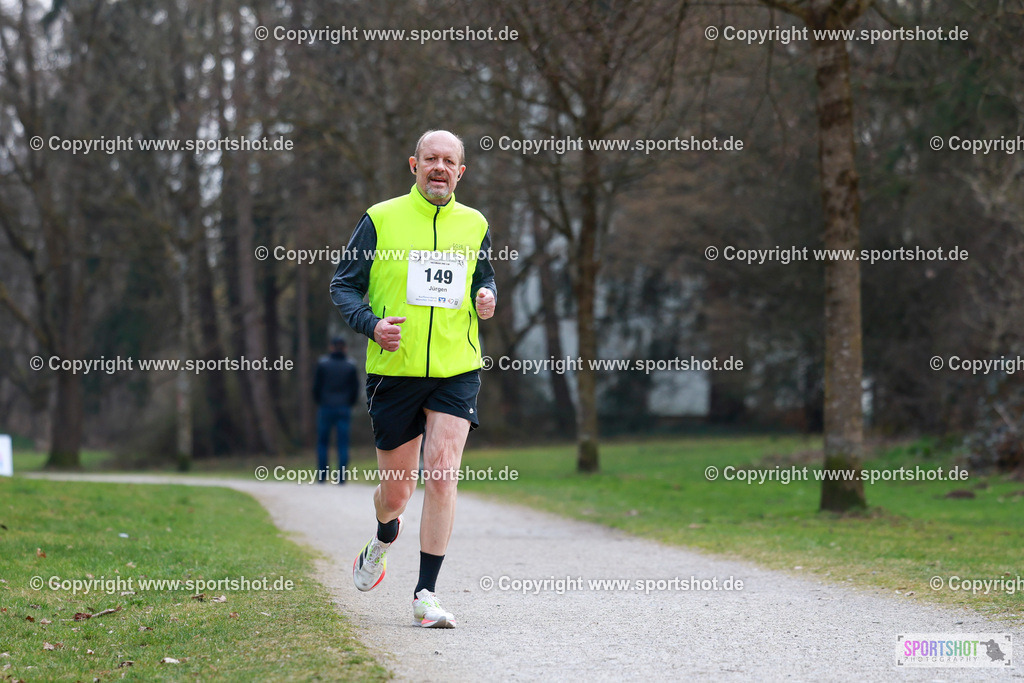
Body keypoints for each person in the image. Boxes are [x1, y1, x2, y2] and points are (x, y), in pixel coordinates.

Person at [330, 129, 496, 628]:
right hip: (394, 372)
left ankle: (426, 594)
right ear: (414, 165)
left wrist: (487, 296)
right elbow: (344, 285)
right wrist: (373, 326)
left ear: (461, 171)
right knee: (397, 492)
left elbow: (482, 277)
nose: (439, 167)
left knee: (443, 471)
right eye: (431, 159)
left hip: (456, 368)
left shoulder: (475, 223)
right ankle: (383, 537)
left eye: (449, 161)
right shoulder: (381, 219)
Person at [313, 336, 359, 483]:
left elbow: (316, 387)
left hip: (326, 407)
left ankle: (322, 476)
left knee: (322, 443)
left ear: (331, 347)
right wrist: (349, 403)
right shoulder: (350, 365)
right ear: (344, 348)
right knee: (343, 444)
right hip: (343, 408)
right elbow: (355, 389)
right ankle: (341, 478)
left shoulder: (323, 364)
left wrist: (320, 401)